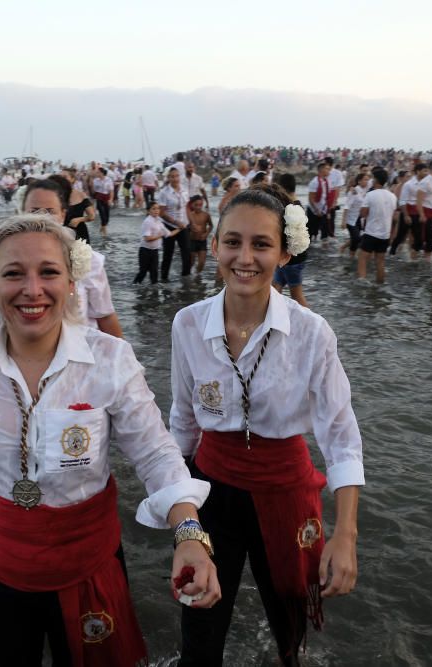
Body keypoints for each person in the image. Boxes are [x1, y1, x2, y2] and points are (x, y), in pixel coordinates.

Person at [0, 213, 219, 666]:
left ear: (70, 283)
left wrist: (188, 533)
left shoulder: (109, 358)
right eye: (12, 274)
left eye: (48, 272)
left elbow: (156, 453)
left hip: (89, 559)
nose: (32, 289)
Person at [170, 183, 363, 666]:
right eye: (233, 242)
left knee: (290, 622)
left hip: (286, 488)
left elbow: (340, 435)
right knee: (200, 624)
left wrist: (345, 535)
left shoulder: (311, 332)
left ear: (283, 252)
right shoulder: (188, 324)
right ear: (213, 245)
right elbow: (183, 421)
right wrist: (181, 512)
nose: (245, 257)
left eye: (261, 244)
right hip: (212, 489)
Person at [0, 178, 123, 337]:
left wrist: (122, 357)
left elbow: (105, 315)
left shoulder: (88, 259)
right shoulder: (2, 257)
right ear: (22, 212)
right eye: (34, 211)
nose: (42, 218)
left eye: (50, 211)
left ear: (63, 214)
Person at [271, 173, 309, 307]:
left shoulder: (290, 207)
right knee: (274, 290)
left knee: (297, 295)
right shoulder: (298, 205)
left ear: (281, 187)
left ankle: (310, 324)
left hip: (292, 259)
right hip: (291, 257)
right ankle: (270, 318)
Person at [358, 169, 398, 283]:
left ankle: (362, 284)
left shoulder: (370, 195)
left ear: (375, 180)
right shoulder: (392, 196)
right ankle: (380, 284)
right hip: (385, 234)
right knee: (380, 261)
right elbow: (394, 217)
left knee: (363, 258)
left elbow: (363, 214)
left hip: (371, 232)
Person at [157, 168, 192, 281]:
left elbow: (187, 207)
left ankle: (186, 279)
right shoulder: (164, 192)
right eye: (172, 176)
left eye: (177, 176)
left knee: (187, 253)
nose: (175, 178)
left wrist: (191, 222)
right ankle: (164, 279)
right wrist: (176, 222)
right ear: (168, 178)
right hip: (169, 226)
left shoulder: (184, 190)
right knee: (168, 254)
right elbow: (161, 213)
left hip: (184, 226)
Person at [134, 201, 175, 284]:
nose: (156, 210)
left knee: (154, 273)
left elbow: (169, 234)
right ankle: (135, 286)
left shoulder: (159, 221)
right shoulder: (148, 221)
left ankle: (154, 294)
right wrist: (160, 236)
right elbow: (147, 238)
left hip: (155, 251)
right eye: (154, 209)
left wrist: (180, 229)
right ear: (148, 211)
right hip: (145, 251)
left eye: (158, 208)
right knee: (143, 272)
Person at [414, 160, 432, 259]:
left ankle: (425, 261)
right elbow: (419, 200)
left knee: (429, 240)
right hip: (424, 213)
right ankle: (416, 262)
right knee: (423, 240)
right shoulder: (425, 182)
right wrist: (421, 215)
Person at [61, 168, 96, 244]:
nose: (61, 179)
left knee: (80, 255)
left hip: (79, 233)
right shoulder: (54, 196)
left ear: (73, 179)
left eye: (64, 177)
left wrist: (78, 220)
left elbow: (92, 216)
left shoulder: (81, 195)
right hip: (61, 233)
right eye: (59, 177)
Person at [341, 173, 370, 259]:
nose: (367, 181)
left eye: (367, 180)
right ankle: (351, 256)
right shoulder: (354, 191)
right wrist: (343, 221)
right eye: (365, 179)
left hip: (360, 219)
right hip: (351, 219)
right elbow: (346, 206)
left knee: (359, 237)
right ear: (359, 181)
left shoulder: (366, 190)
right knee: (356, 238)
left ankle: (343, 247)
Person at [306, 162, 331, 245]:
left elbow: (326, 198)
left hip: (323, 211)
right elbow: (311, 199)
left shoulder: (327, 182)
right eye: (327, 169)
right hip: (313, 211)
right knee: (311, 233)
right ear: (321, 170)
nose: (329, 171)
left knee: (325, 233)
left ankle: (325, 252)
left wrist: (327, 211)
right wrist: (317, 211)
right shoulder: (314, 182)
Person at [187, 194, 213, 274]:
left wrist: (206, 234)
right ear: (192, 205)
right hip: (192, 241)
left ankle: (197, 277)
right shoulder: (189, 215)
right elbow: (185, 228)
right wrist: (191, 228)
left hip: (202, 241)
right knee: (191, 263)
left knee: (202, 263)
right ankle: (189, 277)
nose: (198, 207)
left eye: (200, 205)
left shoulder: (206, 215)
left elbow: (211, 225)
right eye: (196, 205)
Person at [91, 167, 114, 236]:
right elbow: (94, 190)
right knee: (102, 214)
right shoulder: (95, 180)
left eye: (98, 172)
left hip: (106, 197)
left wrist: (111, 199)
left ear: (101, 173)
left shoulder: (108, 179)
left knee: (107, 218)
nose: (96, 173)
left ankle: (102, 227)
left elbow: (111, 191)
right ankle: (105, 233)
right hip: (99, 198)